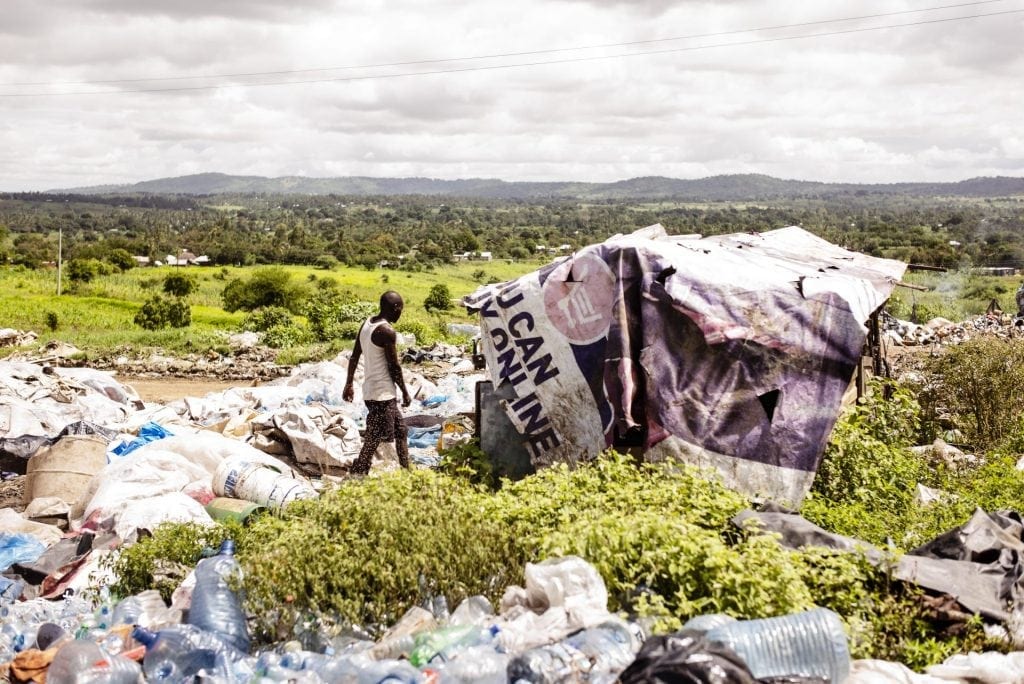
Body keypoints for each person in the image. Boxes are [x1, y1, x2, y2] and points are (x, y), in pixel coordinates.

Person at [342, 291, 412, 474]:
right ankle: (359, 470)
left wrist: (349, 384)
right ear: (395, 308)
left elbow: (354, 356)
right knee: (375, 436)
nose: (400, 314)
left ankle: (407, 471)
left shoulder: (367, 324)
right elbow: (394, 367)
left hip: (372, 391)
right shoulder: (387, 331)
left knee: (401, 430)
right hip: (382, 394)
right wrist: (405, 391)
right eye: (401, 310)